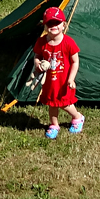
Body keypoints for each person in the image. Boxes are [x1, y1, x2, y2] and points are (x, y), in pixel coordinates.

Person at [32, 7, 83, 139]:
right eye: (50, 23)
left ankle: (77, 117)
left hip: (63, 82)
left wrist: (71, 79)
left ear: (64, 25)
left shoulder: (68, 43)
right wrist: (38, 64)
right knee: (52, 103)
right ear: (45, 26)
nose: (53, 26)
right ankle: (54, 125)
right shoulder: (42, 42)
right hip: (49, 82)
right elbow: (37, 55)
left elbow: (75, 62)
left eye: (57, 23)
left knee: (65, 103)